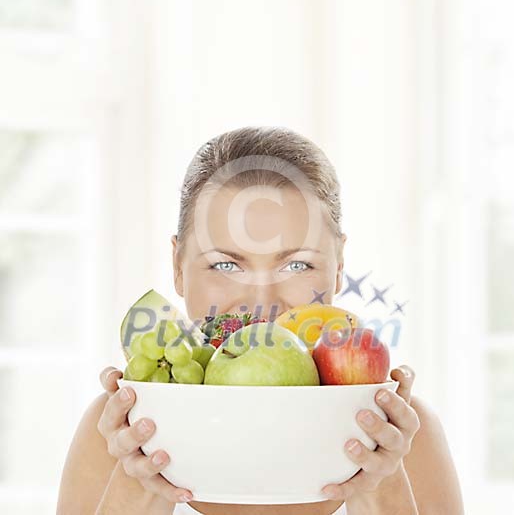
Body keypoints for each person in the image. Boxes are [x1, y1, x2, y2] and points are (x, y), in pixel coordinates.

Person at [57, 126, 464, 514]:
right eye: (225, 265)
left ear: (339, 269)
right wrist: (137, 484)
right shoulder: (115, 433)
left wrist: (381, 484)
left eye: (297, 264)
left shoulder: (403, 435)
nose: (260, 303)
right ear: (178, 268)